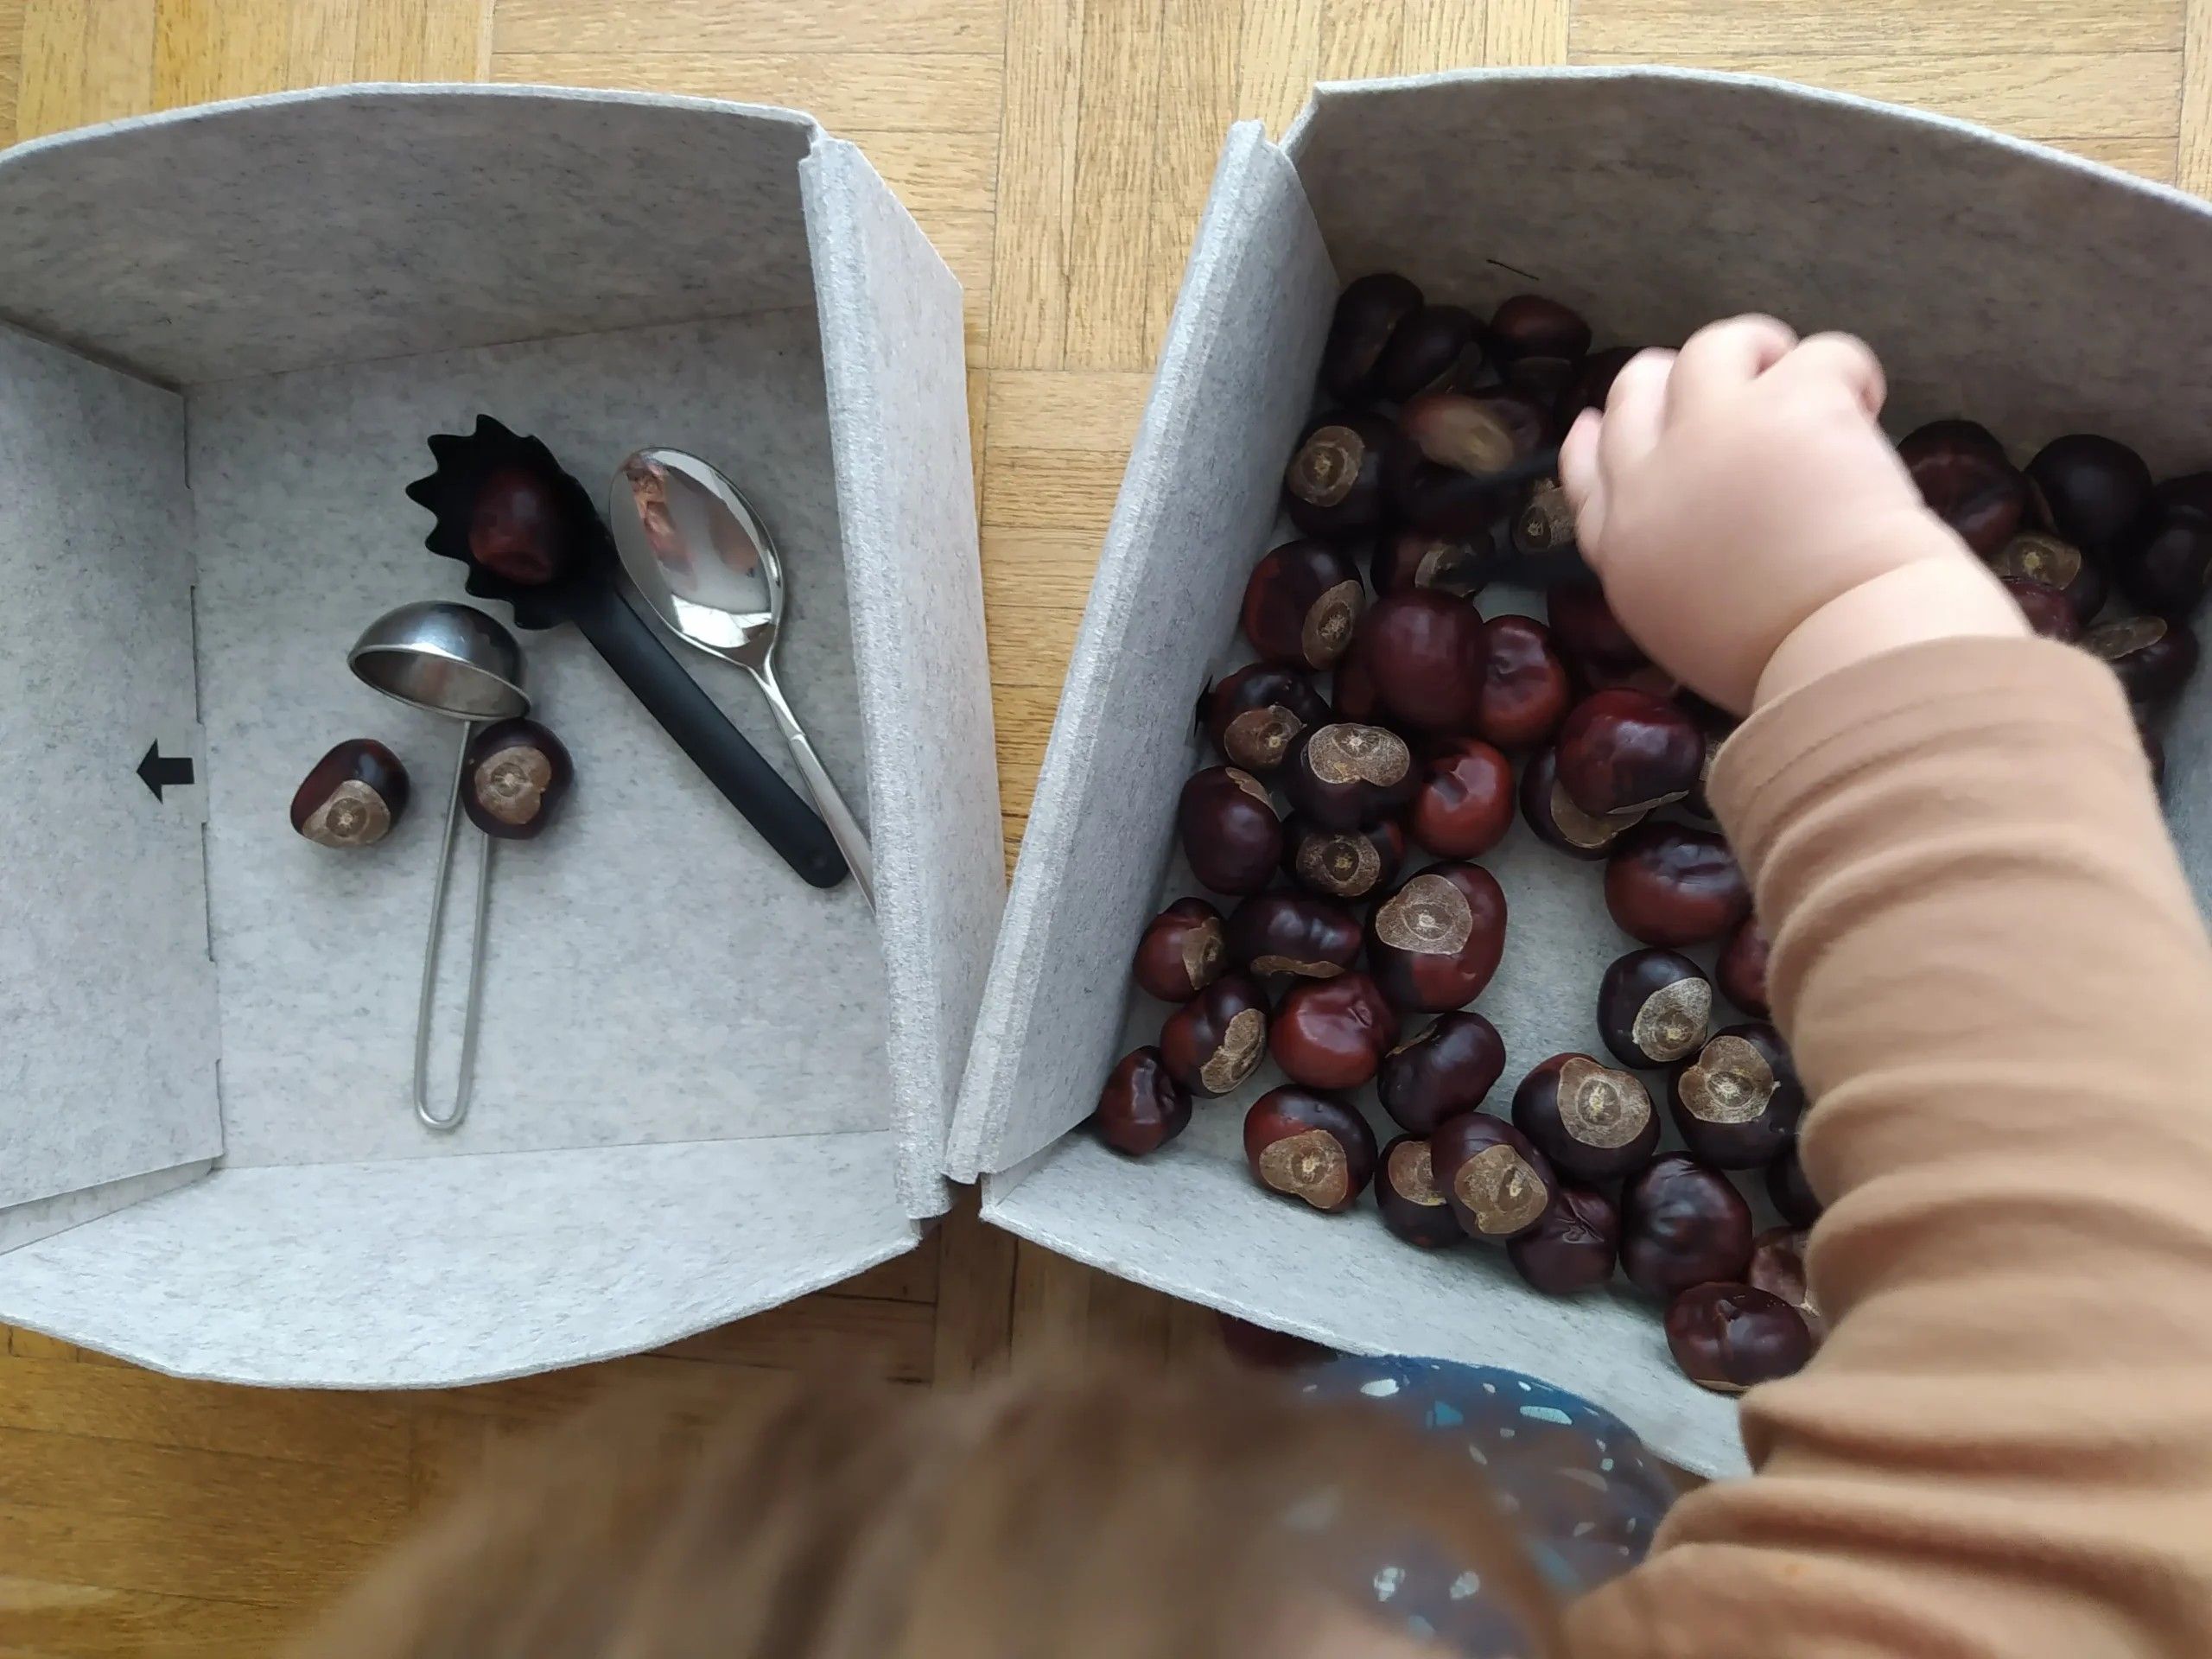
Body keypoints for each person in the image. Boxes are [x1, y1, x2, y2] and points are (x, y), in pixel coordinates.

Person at [289, 318, 2212, 1658]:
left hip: (1497, 1478)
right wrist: (1851, 617)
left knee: (1335, 1434)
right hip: (1616, 1495)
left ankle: (1328, 1412)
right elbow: (2098, 1369)